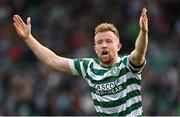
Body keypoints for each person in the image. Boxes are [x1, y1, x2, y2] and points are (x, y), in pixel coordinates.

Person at [13, 7, 148, 116]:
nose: (104, 45)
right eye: (100, 42)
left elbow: (139, 53)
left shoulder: (127, 65)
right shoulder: (88, 66)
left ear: (118, 46)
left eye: (108, 41)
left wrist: (143, 32)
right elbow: (52, 61)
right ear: (95, 49)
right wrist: (28, 38)